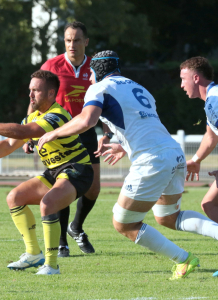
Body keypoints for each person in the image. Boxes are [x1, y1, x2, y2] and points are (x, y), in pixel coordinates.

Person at [38, 50, 218, 280]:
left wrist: (54, 133)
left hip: (151, 160)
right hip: (173, 154)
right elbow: (142, 125)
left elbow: (87, 120)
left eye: (90, 73)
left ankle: (183, 259)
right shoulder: (139, 88)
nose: (89, 78)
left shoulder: (99, 88)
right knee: (168, 217)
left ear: (97, 71)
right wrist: (124, 146)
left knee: (123, 223)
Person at [0, 70, 93, 275]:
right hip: (55, 170)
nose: (30, 95)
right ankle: (33, 254)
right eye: (30, 90)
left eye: (36, 90)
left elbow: (22, 132)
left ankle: (52, 265)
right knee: (15, 197)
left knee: (48, 204)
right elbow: (11, 143)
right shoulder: (34, 116)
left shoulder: (56, 115)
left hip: (78, 169)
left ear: (50, 94)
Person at [25, 21, 105, 257]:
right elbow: (34, 99)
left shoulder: (95, 67)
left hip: (87, 131)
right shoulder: (52, 65)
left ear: (86, 42)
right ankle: (61, 242)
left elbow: (107, 101)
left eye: (77, 40)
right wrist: (30, 133)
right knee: (63, 186)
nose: (72, 44)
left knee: (93, 189)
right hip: (57, 132)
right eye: (68, 40)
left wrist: (108, 134)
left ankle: (76, 227)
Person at [180, 56, 218, 223]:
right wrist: (196, 160)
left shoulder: (215, 100)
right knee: (209, 205)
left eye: (183, 79)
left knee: (210, 204)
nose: (181, 85)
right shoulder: (212, 99)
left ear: (196, 78)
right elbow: (211, 136)